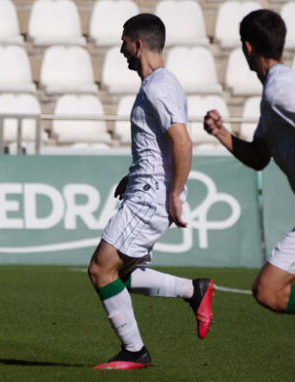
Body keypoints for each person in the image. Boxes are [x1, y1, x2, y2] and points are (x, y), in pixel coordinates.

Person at [204, 9, 295, 355]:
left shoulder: (281, 88)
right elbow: (259, 158)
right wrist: (222, 133)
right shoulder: (276, 94)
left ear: (247, 48)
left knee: (269, 290)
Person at [87, 14, 214, 370]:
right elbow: (159, 145)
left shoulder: (159, 86)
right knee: (121, 273)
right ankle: (195, 291)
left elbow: (182, 143)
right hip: (146, 187)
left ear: (138, 43)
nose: (121, 49)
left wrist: (174, 194)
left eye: (124, 41)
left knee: (101, 270)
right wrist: (134, 174)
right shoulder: (157, 84)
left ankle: (134, 351)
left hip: (152, 196)